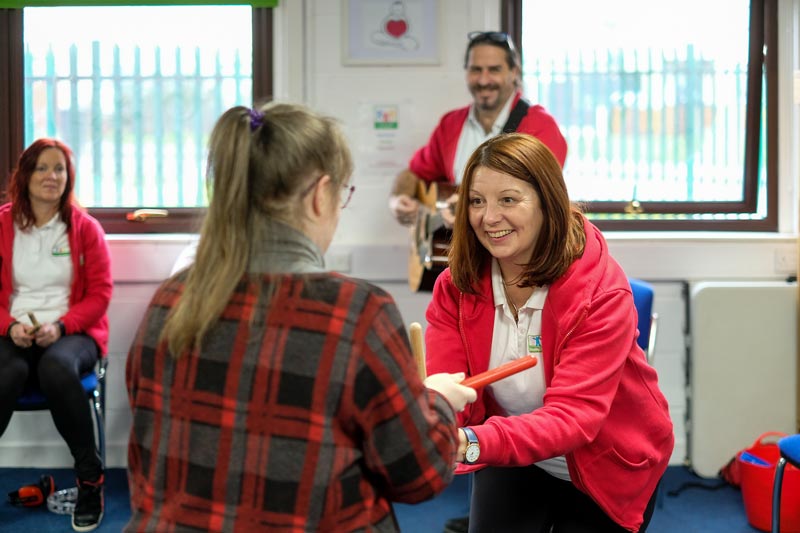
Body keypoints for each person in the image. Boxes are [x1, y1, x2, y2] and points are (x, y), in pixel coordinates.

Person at [124, 102, 478, 533]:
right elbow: (418, 475)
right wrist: (437, 401)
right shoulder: (356, 312)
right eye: (342, 196)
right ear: (318, 195)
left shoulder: (170, 301)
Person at [425, 132, 674, 532]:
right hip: (513, 450)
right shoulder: (455, 287)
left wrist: (470, 442)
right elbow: (454, 389)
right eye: (476, 201)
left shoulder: (601, 290)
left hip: (607, 459)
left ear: (547, 202)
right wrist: (434, 406)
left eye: (508, 199)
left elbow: (574, 418)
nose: (488, 218)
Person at [0, 138, 112, 532]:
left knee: (58, 368)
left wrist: (61, 327)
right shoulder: (2, 223)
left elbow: (100, 294)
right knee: (6, 374)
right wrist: (10, 327)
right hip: (11, 332)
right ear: (25, 174)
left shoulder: (85, 229)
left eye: (60, 169)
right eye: (43, 168)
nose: (52, 176)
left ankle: (89, 481)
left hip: (72, 332)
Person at [388, 31, 567, 229]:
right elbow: (414, 173)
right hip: (461, 255)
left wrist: (470, 209)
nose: (483, 80)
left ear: (514, 72)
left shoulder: (541, 127)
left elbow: (541, 198)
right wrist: (398, 198)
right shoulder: (450, 124)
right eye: (476, 70)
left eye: (494, 70)